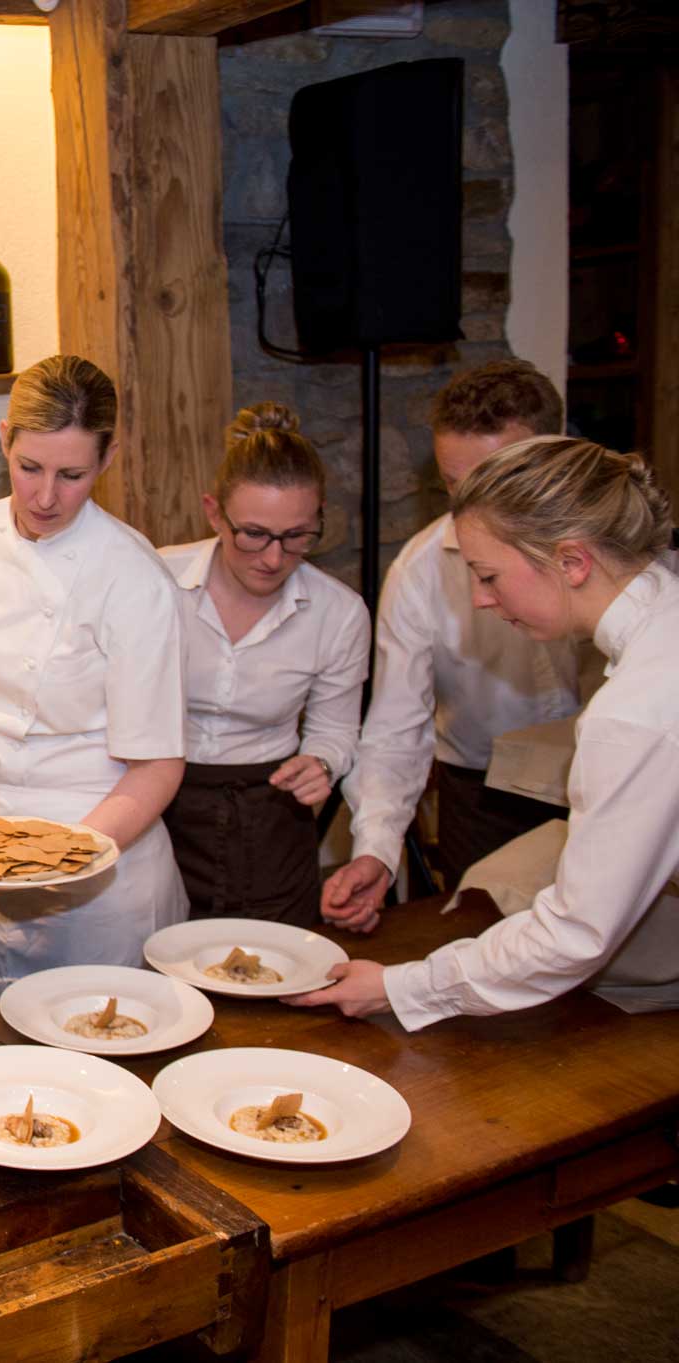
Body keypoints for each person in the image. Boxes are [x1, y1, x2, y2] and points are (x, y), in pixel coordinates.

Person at [289, 438, 678, 1026]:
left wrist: (401, 986)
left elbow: (575, 934)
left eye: (489, 576)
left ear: (572, 562)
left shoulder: (633, 711)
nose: (479, 598)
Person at [0, 354, 187, 994]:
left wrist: (60, 861)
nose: (44, 496)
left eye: (72, 475)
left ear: (108, 458)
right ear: (5, 437)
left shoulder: (133, 576)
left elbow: (159, 766)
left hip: (94, 876)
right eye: (28, 467)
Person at [323, 361, 585, 933]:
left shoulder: (619, 549)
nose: (472, 512)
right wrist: (376, 846)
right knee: (485, 947)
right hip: (486, 795)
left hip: (611, 784)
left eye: (496, 483)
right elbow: (396, 728)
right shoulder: (419, 571)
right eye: (454, 487)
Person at [156, 404, 370, 925]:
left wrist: (321, 763)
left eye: (298, 536)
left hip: (270, 813)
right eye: (253, 534)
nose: (273, 558)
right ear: (213, 513)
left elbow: (335, 730)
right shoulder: (156, 582)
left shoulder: (339, 612)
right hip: (158, 807)